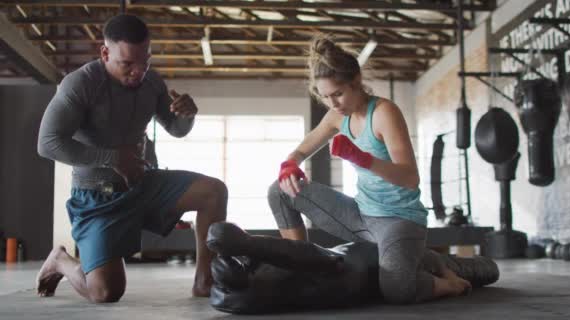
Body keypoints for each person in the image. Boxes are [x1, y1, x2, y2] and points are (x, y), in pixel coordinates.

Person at [267, 35, 472, 304]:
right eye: (326, 97)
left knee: (397, 289)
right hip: (361, 216)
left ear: (357, 82)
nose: (333, 104)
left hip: (399, 220)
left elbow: (410, 178)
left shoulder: (385, 113)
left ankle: (451, 282)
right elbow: (303, 149)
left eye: (338, 94)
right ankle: (303, 266)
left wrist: (362, 158)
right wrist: (290, 163)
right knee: (279, 191)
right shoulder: (336, 115)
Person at [35, 14, 227, 303]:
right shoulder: (80, 84)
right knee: (105, 292)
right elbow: (47, 144)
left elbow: (175, 129)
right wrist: (111, 158)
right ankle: (60, 260)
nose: (138, 72)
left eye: (145, 61)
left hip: (142, 183)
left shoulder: (151, 82)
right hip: (97, 197)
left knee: (213, 192)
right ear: (105, 53)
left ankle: (204, 281)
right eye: (127, 64)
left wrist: (187, 115)